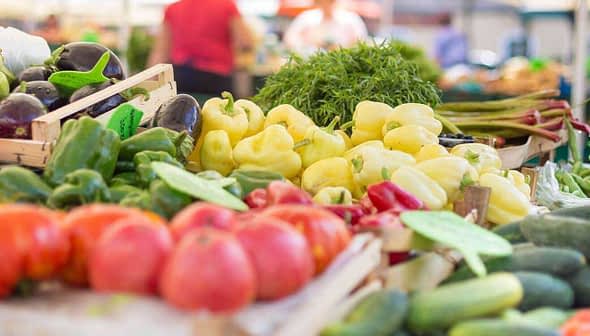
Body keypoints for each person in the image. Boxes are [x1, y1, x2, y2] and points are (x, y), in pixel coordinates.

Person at [148, 0, 254, 95]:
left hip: (182, 78)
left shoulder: (173, 9)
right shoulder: (227, 5)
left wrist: (149, 85)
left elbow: (160, 52)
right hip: (216, 78)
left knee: (182, 114)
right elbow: (245, 42)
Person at [284, 0, 368, 56]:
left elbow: (361, 41)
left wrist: (343, 48)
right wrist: (308, 45)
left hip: (343, 61)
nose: (326, 5)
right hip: (310, 61)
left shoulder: (351, 19)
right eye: (322, 2)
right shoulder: (307, 18)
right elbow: (290, 38)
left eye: (329, 2)